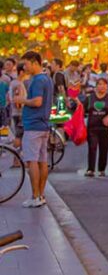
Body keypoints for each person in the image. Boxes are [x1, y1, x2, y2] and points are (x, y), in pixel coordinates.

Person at [12, 51, 53, 207]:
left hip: (33, 125)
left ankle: (35, 196)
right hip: (43, 125)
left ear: (35, 62)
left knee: (32, 161)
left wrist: (22, 100)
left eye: (26, 64)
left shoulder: (37, 80)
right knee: (42, 161)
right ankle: (41, 195)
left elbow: (37, 101)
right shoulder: (47, 79)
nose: (25, 67)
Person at [79, 77, 108, 177]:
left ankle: (102, 169)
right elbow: (82, 109)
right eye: (99, 84)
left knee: (104, 149)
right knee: (92, 147)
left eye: (104, 84)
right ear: (96, 86)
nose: (102, 86)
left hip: (105, 128)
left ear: (107, 87)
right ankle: (90, 169)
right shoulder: (90, 98)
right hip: (92, 128)